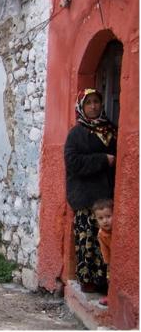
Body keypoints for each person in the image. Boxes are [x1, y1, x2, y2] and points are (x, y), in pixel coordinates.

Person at [64, 88, 117, 293]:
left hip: (105, 200)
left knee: (105, 240)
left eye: (96, 101)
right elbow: (72, 162)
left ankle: (105, 281)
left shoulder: (111, 130)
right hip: (85, 198)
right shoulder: (76, 134)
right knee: (87, 240)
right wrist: (102, 160)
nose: (93, 106)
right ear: (82, 107)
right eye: (88, 103)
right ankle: (88, 280)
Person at [92, 198, 113, 305]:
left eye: (108, 216)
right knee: (109, 278)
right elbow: (104, 249)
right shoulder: (101, 234)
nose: (105, 221)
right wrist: (108, 263)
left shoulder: (116, 230)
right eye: (100, 218)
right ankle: (110, 296)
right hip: (111, 260)